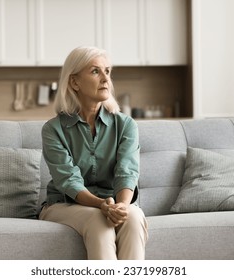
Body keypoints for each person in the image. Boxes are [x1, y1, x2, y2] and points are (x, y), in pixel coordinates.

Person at [39, 46, 148, 260]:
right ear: (74, 82)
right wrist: (101, 205)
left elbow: (127, 171)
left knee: (133, 218)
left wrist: (122, 207)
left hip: (115, 202)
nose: (105, 79)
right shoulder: (53, 129)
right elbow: (69, 181)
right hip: (64, 205)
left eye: (107, 71)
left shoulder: (126, 125)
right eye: (95, 71)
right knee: (99, 219)